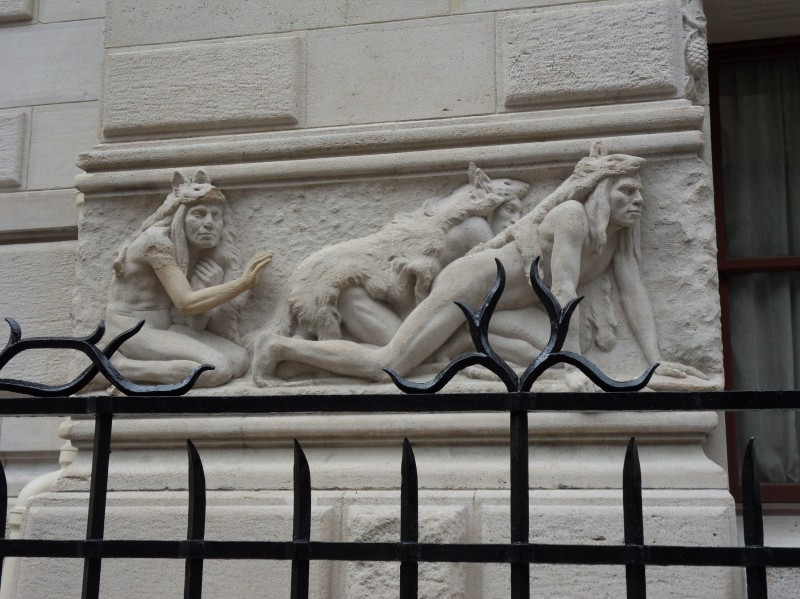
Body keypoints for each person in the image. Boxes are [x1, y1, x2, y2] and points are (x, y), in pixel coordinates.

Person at [253, 144, 701, 390]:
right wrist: (574, 367)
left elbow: (634, 293)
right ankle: (278, 349)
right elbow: (564, 290)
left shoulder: (617, 239)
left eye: (640, 193)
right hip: (472, 285)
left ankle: (461, 349)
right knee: (389, 365)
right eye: (626, 191)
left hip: (499, 307)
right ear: (601, 192)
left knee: (527, 360)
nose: (638, 200)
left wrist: (655, 361)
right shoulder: (571, 216)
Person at [106, 170, 272, 387]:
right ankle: (118, 368)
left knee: (239, 360)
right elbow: (186, 303)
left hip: (164, 327)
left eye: (216, 216)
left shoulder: (191, 250)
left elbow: (192, 322)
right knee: (216, 369)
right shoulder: (156, 244)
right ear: (179, 216)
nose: (209, 223)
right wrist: (243, 283)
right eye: (198, 214)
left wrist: (207, 289)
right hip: (131, 331)